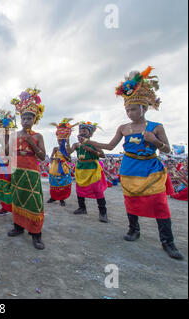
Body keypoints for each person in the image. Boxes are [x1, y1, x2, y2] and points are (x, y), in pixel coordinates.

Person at [86, 66, 183, 260]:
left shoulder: (157, 127)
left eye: (133, 109)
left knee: (160, 203)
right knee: (131, 201)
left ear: (143, 108)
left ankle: (167, 241)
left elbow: (167, 149)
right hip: (129, 169)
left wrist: (155, 141)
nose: (129, 112)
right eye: (127, 109)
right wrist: (91, 142)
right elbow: (111, 146)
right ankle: (133, 229)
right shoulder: (123, 128)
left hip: (151, 169)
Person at [9, 87, 47, 250]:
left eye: (29, 118)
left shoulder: (38, 136)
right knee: (18, 198)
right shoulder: (15, 135)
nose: (26, 121)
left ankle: (36, 234)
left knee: (34, 201)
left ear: (35, 119)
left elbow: (42, 157)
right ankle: (18, 226)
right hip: (17, 172)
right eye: (23, 118)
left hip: (31, 173)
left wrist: (31, 143)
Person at [66, 121, 108, 223]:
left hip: (92, 169)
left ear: (90, 133)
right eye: (80, 130)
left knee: (97, 190)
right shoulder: (76, 144)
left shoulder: (94, 144)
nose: (82, 132)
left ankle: (103, 212)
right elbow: (68, 152)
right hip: (80, 168)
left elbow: (102, 155)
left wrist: (91, 150)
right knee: (79, 189)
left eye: (84, 130)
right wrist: (67, 140)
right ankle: (82, 208)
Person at [47, 119, 77, 207]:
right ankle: (53, 197)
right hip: (55, 168)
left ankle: (62, 199)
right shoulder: (55, 148)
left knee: (63, 183)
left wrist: (65, 159)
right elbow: (51, 159)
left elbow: (70, 160)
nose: (59, 142)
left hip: (64, 167)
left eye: (61, 140)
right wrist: (55, 159)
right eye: (59, 140)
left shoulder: (67, 149)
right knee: (54, 183)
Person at [0, 109, 16, 216]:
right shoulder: (1, 141)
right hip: (1, 167)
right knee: (2, 187)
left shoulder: (12, 139)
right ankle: (4, 207)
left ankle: (12, 209)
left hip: (9, 168)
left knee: (9, 188)